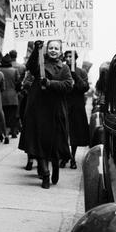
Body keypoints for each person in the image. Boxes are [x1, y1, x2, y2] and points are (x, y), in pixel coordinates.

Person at [20, 40, 73, 189]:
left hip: (56, 111)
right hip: (39, 110)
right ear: (46, 49)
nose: (53, 50)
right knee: (39, 143)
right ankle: (45, 173)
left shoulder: (64, 68)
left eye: (56, 48)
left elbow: (68, 85)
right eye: (50, 48)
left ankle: (55, 166)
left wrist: (50, 83)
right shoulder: (40, 64)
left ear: (60, 51)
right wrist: (36, 50)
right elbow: (30, 66)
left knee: (55, 144)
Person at [61, 50, 90, 169]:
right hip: (64, 104)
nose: (69, 59)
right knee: (63, 132)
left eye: (71, 57)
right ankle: (65, 156)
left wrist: (75, 75)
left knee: (75, 134)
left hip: (77, 106)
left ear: (75, 58)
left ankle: (72, 157)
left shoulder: (81, 72)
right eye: (67, 57)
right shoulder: (61, 70)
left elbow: (84, 87)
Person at [0, 53, 21, 142]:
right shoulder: (14, 71)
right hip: (12, 97)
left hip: (1, 97)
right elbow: (18, 84)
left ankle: (1, 134)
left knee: (2, 116)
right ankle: (8, 134)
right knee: (11, 116)